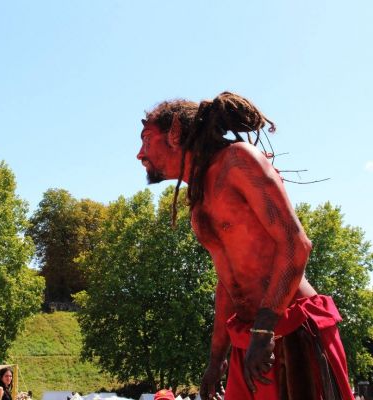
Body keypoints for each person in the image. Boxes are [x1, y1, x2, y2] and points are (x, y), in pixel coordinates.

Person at [136, 92, 354, 400]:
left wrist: (265, 329)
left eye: (146, 139)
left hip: (289, 330)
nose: (140, 154)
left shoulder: (238, 160)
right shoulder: (198, 201)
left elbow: (297, 243)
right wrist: (215, 360)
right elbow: (226, 283)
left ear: (174, 133)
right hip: (249, 342)